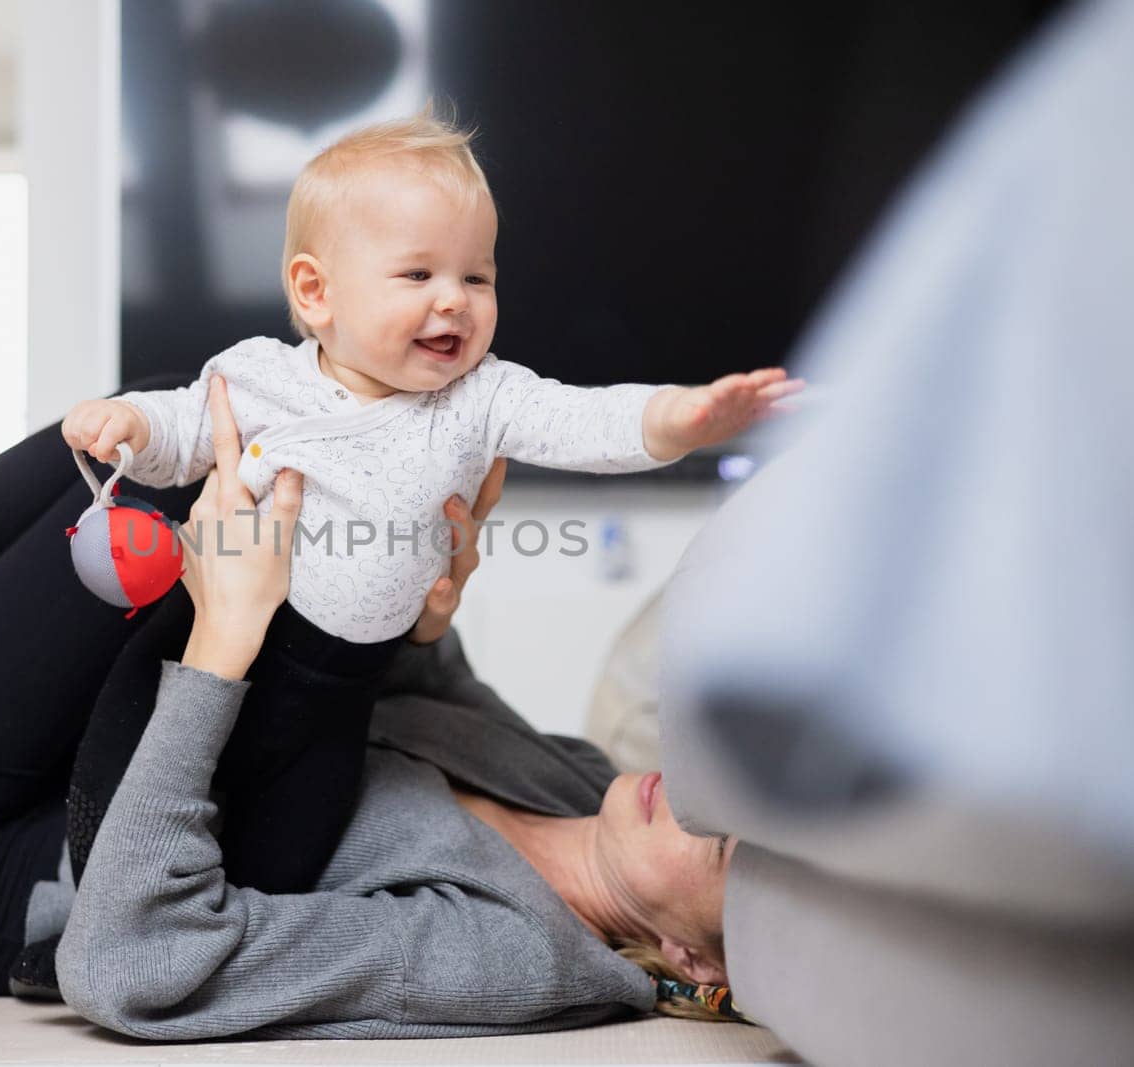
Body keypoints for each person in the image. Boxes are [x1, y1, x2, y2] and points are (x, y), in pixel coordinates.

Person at [0, 377, 740, 1037]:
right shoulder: (572, 776)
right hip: (61, 784)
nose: (702, 802)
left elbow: (126, 960)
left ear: (697, 964)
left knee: (207, 456)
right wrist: (422, 589)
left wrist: (221, 644)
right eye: (734, 795)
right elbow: (415, 683)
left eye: (725, 853)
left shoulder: (518, 957)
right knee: (201, 426)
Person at [57, 105, 798, 895]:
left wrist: (681, 420)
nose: (455, 300)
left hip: (340, 688)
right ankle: (83, 904)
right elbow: (184, 431)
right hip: (203, 632)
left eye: (476, 277)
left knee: (287, 862)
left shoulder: (482, 398)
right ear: (316, 292)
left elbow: (585, 419)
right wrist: (131, 423)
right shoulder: (265, 376)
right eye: (419, 275)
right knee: (117, 771)